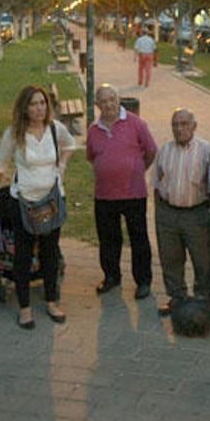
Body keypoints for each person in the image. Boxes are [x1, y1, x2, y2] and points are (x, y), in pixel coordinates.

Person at [0, 85, 75, 329]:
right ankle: (25, 308)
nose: (39, 108)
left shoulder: (55, 129)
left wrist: (62, 168)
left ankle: (51, 301)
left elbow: (71, 145)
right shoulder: (14, 133)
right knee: (23, 256)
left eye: (42, 103)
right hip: (23, 203)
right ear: (24, 108)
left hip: (53, 202)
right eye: (33, 104)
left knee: (50, 252)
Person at [87, 84, 157, 299]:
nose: (108, 104)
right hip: (105, 194)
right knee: (108, 239)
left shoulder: (136, 123)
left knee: (138, 239)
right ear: (97, 105)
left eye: (112, 99)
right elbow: (91, 157)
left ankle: (143, 281)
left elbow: (151, 150)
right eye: (103, 101)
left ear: (119, 101)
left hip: (133, 193)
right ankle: (111, 276)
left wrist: (136, 170)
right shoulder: (93, 129)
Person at [153, 109, 210, 316]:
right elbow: (157, 183)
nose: (179, 129)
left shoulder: (206, 151)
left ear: (194, 126)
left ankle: (202, 300)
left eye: (184, 124)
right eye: (175, 124)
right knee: (170, 258)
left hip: (197, 214)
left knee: (202, 260)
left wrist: (209, 213)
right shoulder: (164, 150)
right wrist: (160, 215)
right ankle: (177, 297)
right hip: (168, 213)